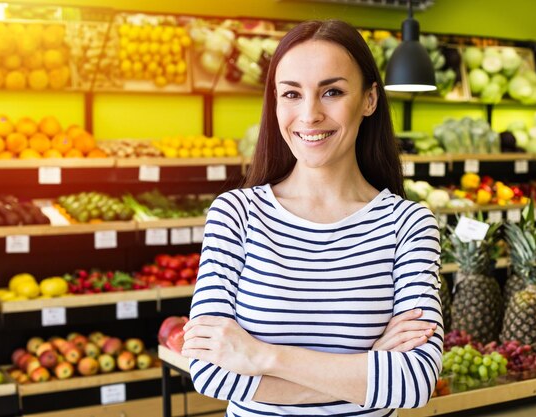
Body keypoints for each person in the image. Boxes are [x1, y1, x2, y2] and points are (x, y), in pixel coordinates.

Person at [181, 19, 443, 416]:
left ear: (370, 100)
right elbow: (210, 374)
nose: (309, 114)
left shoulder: (408, 225)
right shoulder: (235, 215)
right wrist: (369, 367)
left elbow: (414, 382)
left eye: (332, 92)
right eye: (291, 94)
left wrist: (263, 357)